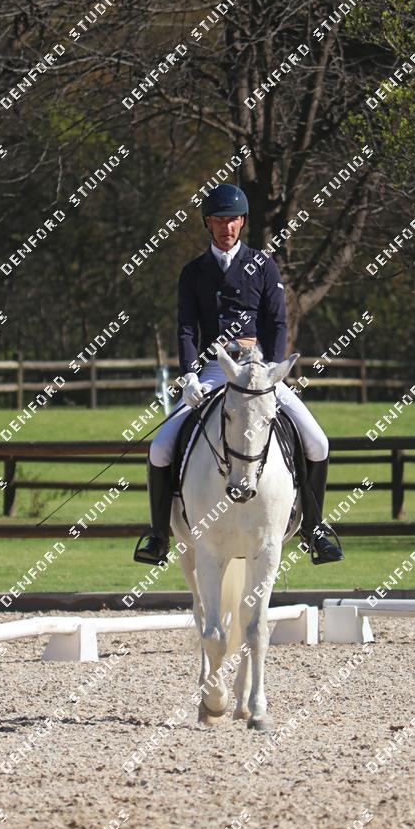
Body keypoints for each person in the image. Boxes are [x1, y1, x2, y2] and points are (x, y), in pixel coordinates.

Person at [134, 183, 344, 567]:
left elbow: (277, 322)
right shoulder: (193, 272)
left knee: (318, 442)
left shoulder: (263, 265)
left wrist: (273, 371)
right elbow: (186, 329)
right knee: (160, 448)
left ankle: (314, 531)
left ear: (242, 222)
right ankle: (159, 535)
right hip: (216, 369)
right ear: (207, 223)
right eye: (219, 220)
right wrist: (189, 376)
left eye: (233, 220)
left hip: (259, 369)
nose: (226, 227)